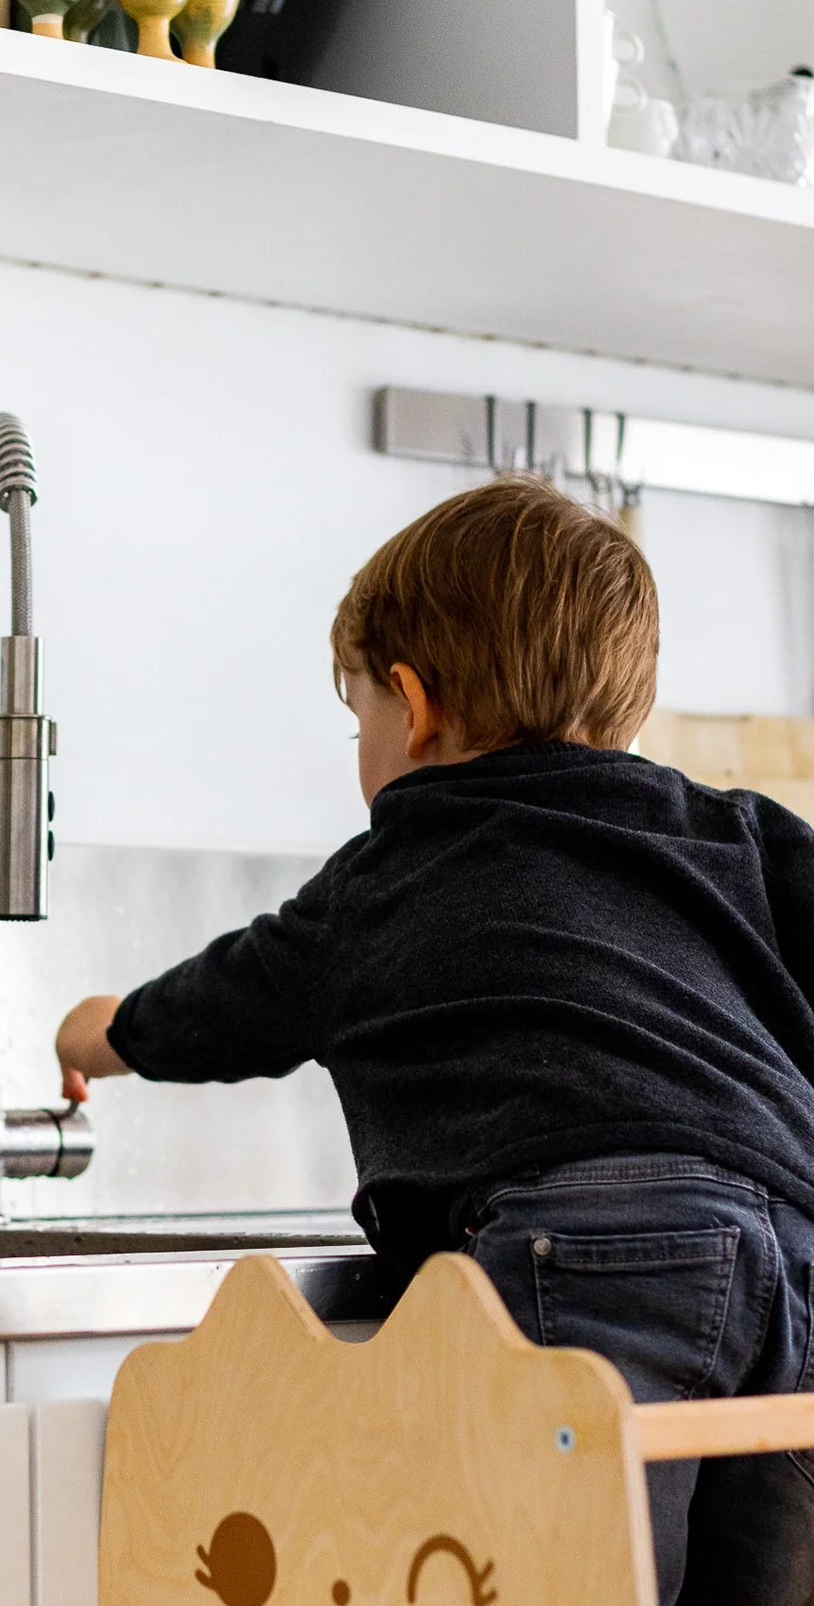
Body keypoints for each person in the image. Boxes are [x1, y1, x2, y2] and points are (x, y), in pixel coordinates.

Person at [54, 473, 814, 1606]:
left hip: (590, 1257)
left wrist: (97, 1032)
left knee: (562, 1577)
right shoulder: (735, 834)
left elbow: (219, 1006)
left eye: (357, 711)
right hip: (796, 1250)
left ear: (412, 706)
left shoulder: (390, 876)